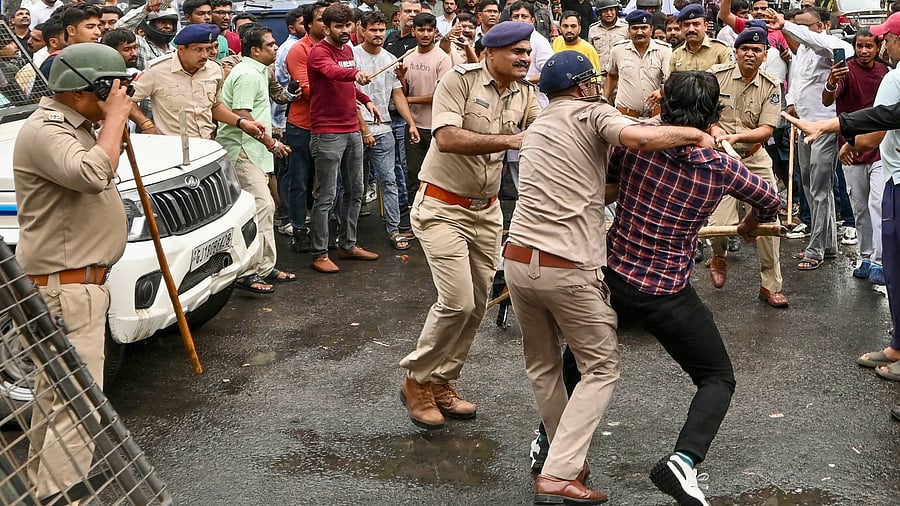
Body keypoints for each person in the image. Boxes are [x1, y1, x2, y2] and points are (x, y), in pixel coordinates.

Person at [509, 51, 718, 505]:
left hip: (518, 261)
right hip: (568, 267)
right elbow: (639, 140)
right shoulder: (592, 112)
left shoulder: (539, 124)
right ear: (583, 85)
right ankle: (559, 472)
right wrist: (697, 134)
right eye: (594, 80)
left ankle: (564, 460)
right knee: (599, 368)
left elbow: (596, 183)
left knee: (545, 367)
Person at [606, 70, 780, 506]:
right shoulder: (722, 166)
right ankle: (683, 463)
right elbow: (770, 200)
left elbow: (608, 181)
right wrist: (747, 226)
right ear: (713, 116)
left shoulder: (636, 140)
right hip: (666, 289)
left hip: (613, 275)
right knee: (717, 377)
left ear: (663, 103)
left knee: (584, 361)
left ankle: (548, 438)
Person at [398, 21, 540, 430]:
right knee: (456, 302)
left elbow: (545, 131)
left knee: (477, 305)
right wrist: (511, 141)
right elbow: (446, 138)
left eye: (527, 52)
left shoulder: (525, 92)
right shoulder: (459, 82)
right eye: (516, 51)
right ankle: (417, 380)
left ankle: (443, 381)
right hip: (441, 206)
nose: (524, 58)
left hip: (487, 210)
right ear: (490, 52)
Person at [13, 43, 133, 502]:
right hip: (64, 289)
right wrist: (117, 119)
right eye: (112, 86)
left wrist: (111, 124)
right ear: (85, 90)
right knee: (77, 404)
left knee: (55, 399)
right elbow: (90, 174)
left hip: (77, 286)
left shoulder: (78, 126)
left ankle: (42, 491)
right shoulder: (46, 130)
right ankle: (63, 497)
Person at [780, 11, 900, 423]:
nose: (881, 46)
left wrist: (833, 128)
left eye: (886, 39)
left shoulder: (888, 72)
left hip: (886, 165)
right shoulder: (876, 72)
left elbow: (884, 117)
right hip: (880, 162)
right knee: (886, 246)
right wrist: (840, 130)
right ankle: (898, 343)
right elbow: (880, 119)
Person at [705, 27, 789, 308]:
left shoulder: (771, 84)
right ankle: (719, 255)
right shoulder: (718, 76)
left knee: (769, 222)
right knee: (718, 225)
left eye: (756, 50)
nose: (750, 54)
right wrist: (715, 129)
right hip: (721, 159)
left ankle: (770, 285)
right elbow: (706, 114)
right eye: (745, 49)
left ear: (765, 55)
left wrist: (736, 137)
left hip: (754, 156)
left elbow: (766, 130)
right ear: (736, 52)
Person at [217, 24, 296, 292]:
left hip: (255, 150)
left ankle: (264, 267)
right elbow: (242, 116)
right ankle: (249, 272)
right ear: (255, 50)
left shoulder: (258, 71)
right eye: (271, 45)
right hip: (243, 150)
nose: (276, 48)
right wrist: (271, 142)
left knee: (264, 208)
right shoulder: (248, 74)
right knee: (261, 207)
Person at [306, 2, 381, 273]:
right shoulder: (318, 52)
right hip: (327, 131)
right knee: (325, 196)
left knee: (355, 191)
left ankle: (348, 245)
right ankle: (319, 253)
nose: (345, 30)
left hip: (352, 129)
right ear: (326, 28)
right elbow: (333, 72)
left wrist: (366, 99)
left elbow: (347, 84)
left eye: (348, 25)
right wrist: (355, 74)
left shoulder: (348, 49)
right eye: (338, 26)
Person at [781, 7, 854, 270]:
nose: (801, 31)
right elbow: (797, 82)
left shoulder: (833, 46)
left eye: (806, 26)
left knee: (820, 189)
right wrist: (791, 104)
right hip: (803, 126)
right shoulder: (802, 51)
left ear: (822, 26)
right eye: (797, 25)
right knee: (811, 186)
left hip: (824, 128)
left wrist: (788, 26)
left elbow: (827, 46)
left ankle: (816, 249)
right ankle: (829, 244)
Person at [821, 27, 889, 284]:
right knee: (860, 208)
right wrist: (831, 81)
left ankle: (881, 263)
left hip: (881, 149)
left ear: (877, 47)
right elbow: (827, 100)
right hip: (849, 149)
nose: (863, 51)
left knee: (879, 205)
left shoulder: (887, 73)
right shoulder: (845, 70)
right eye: (859, 46)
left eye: (868, 46)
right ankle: (866, 257)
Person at [353, 11, 421, 250]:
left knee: (389, 181)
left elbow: (397, 94)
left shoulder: (390, 58)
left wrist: (411, 123)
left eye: (381, 30)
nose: (378, 34)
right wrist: (363, 130)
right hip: (355, 130)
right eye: (373, 30)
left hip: (384, 130)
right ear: (362, 29)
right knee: (352, 185)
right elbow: (348, 98)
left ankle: (394, 230)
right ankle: (347, 237)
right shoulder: (351, 56)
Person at [284, 1, 330, 254]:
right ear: (309, 23)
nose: (326, 24)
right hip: (302, 125)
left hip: (330, 126)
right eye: (322, 19)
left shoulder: (340, 48)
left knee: (327, 182)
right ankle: (298, 229)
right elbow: (306, 89)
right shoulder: (299, 50)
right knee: (299, 180)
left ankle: (324, 230)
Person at [397, 12, 452, 208]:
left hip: (436, 128)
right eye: (421, 30)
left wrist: (407, 99)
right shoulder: (408, 56)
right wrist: (402, 78)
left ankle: (437, 217)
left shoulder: (443, 58)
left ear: (435, 32)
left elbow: (440, 96)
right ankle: (415, 218)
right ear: (414, 31)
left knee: (438, 177)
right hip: (414, 126)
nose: (425, 34)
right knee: (414, 175)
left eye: (429, 30)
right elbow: (401, 91)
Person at [604, 9, 671, 118]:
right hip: (625, 117)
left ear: (651, 29)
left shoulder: (664, 50)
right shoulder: (617, 50)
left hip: (655, 118)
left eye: (644, 28)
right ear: (628, 31)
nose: (639, 32)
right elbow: (612, 76)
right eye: (635, 28)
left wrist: (662, 91)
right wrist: (604, 100)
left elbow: (670, 79)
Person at [669, 4, 733, 73]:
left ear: (705, 26)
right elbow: (670, 82)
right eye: (686, 25)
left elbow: (729, 79)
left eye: (696, 24)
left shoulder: (721, 50)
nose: (691, 29)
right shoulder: (676, 55)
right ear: (681, 28)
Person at [588, 0, 628, 68]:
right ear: (599, 13)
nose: (609, 13)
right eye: (605, 11)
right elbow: (591, 53)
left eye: (611, 10)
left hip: (621, 72)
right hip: (600, 74)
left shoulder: (626, 27)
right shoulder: (593, 30)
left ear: (616, 11)